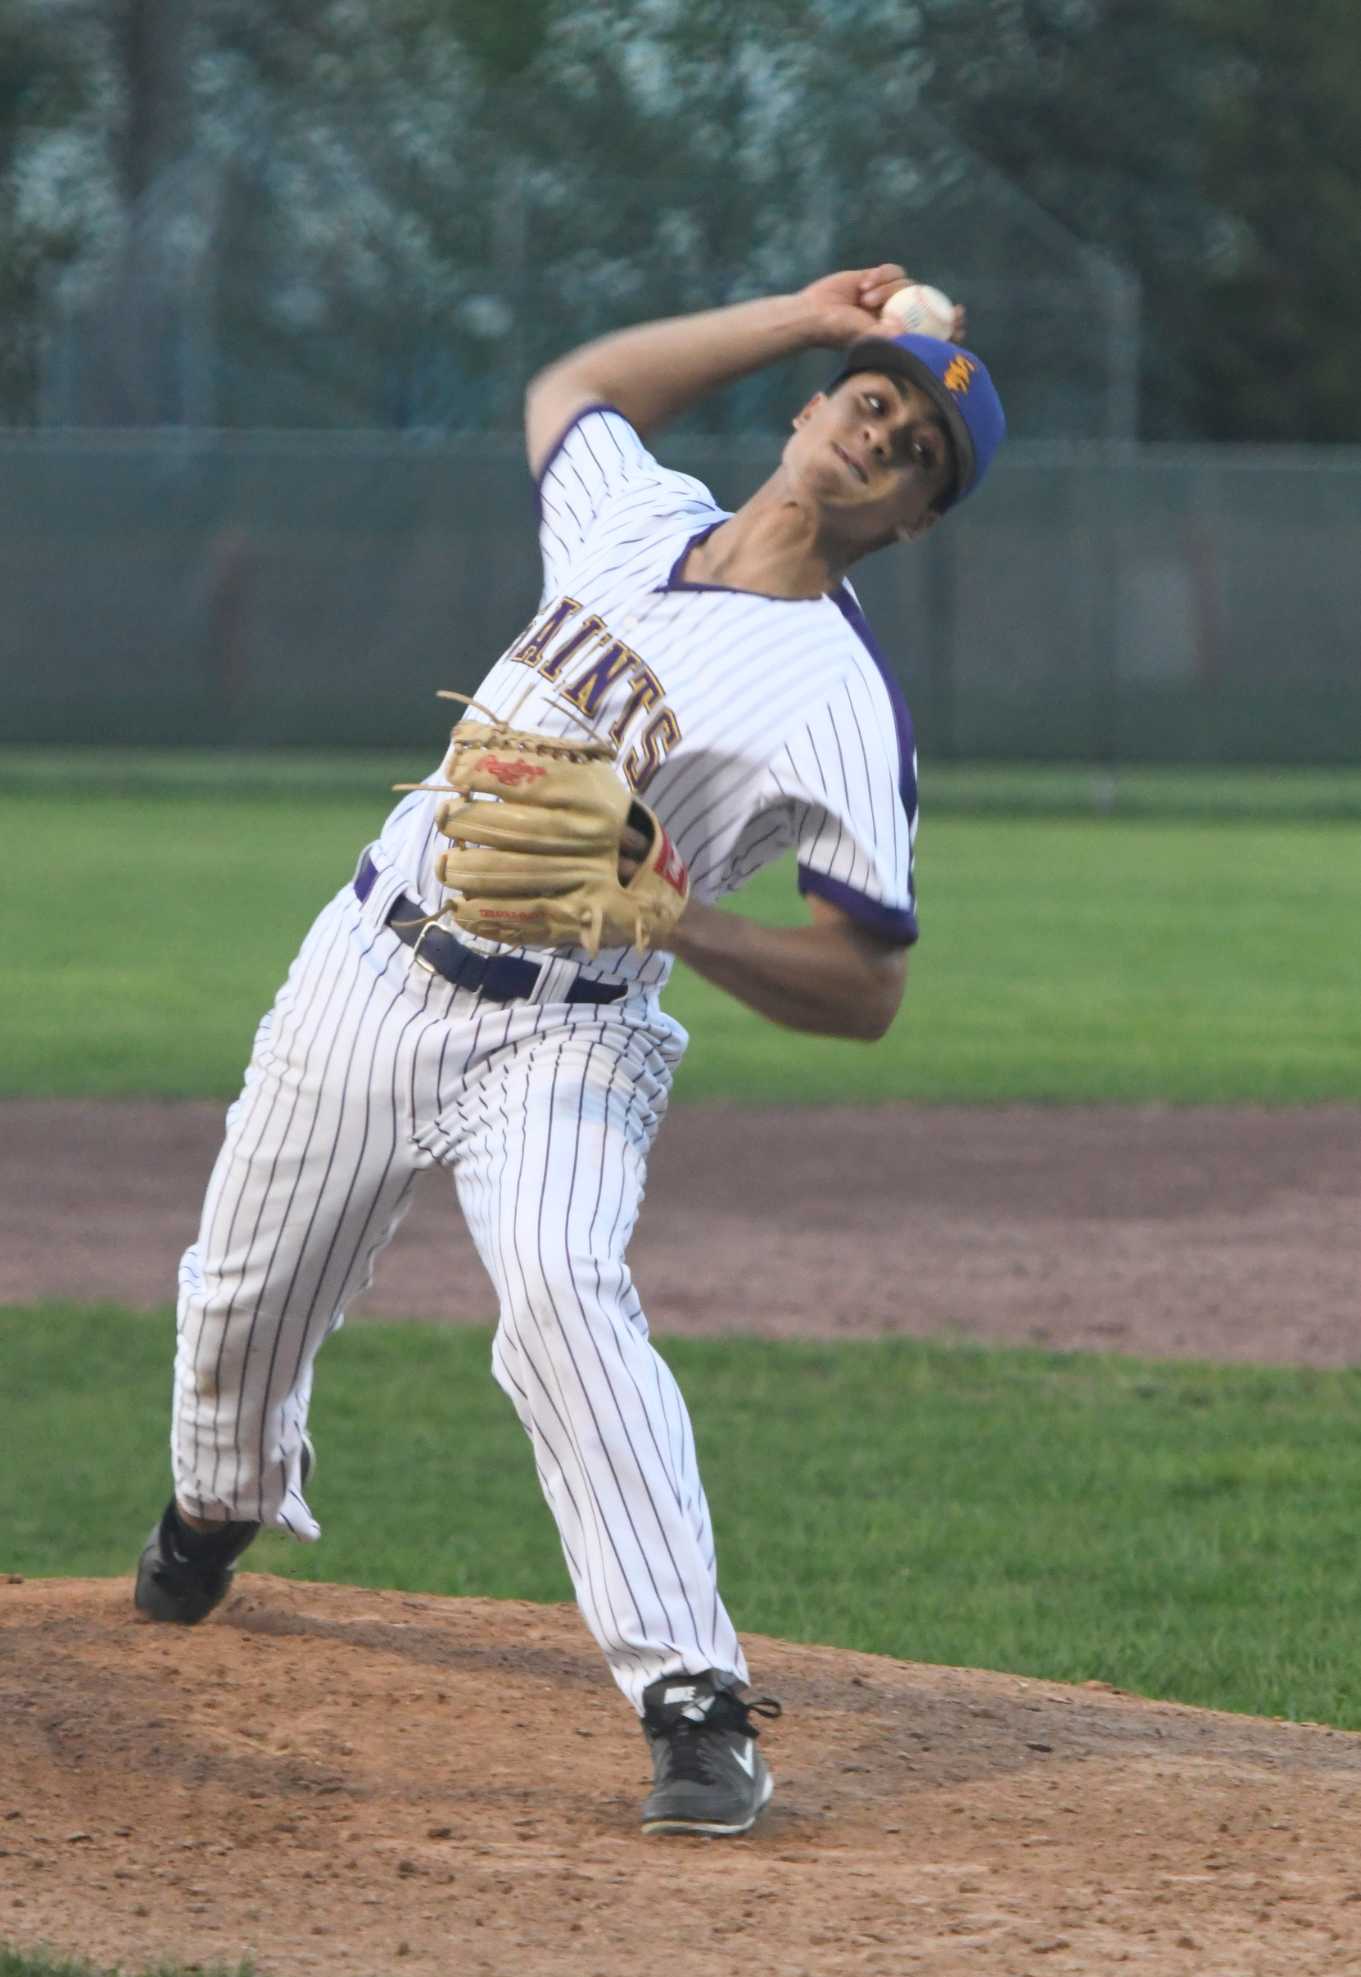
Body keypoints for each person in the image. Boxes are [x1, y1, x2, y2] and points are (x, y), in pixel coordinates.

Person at [133, 264, 1005, 1838]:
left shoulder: (839, 708)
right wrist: (807, 314)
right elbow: (572, 386)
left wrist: (676, 924)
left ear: (913, 522)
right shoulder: (633, 518)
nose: (879, 435)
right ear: (813, 411)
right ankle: (219, 1501)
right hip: (372, 962)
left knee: (558, 1289)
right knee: (237, 1303)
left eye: (915, 451)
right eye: (869, 400)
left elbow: (865, 986)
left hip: (567, 1038)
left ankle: (693, 1696)